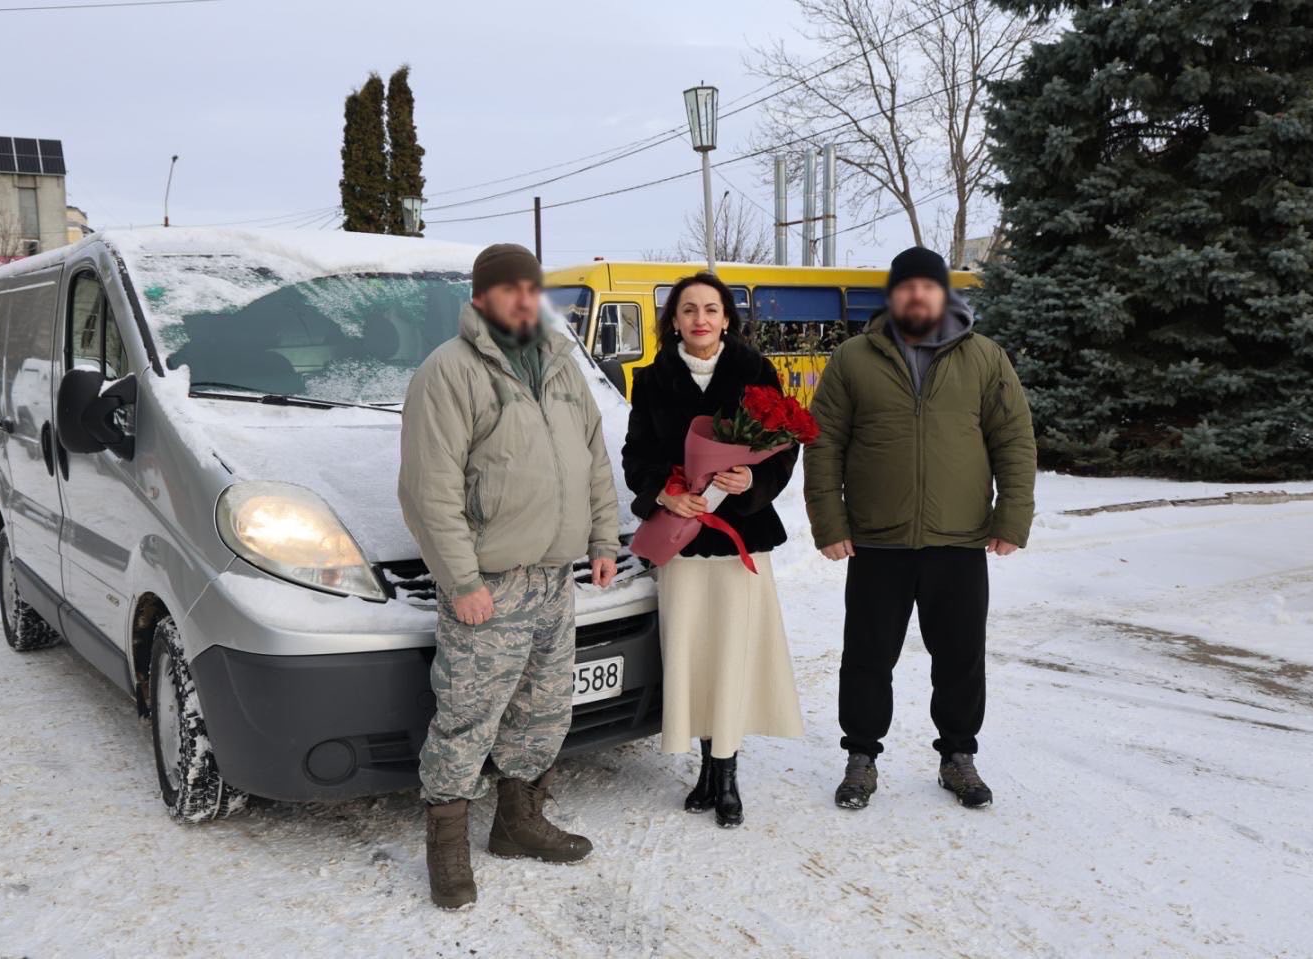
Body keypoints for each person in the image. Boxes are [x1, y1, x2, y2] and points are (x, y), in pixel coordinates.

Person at [398, 243, 620, 910]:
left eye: (532, 287)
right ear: (481, 299)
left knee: (543, 710)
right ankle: (447, 850)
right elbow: (429, 490)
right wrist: (462, 580)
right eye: (509, 289)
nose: (524, 300)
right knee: (467, 717)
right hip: (491, 583)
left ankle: (518, 823)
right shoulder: (449, 371)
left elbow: (593, 460)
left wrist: (602, 538)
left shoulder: (561, 365)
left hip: (554, 577)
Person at [804, 246, 1036, 811]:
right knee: (866, 657)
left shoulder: (984, 357)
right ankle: (861, 756)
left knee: (960, 657)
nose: (916, 295)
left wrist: (1012, 516)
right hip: (876, 539)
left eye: (927, 286)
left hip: (959, 538)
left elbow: (1013, 439)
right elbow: (823, 443)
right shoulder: (853, 358)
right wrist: (829, 522)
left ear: (942, 294)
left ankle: (958, 755)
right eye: (906, 286)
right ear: (894, 294)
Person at [622, 272, 804, 828]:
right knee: (693, 653)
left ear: (726, 319)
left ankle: (725, 773)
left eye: (710, 309)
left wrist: (753, 481)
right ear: (674, 321)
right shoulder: (652, 380)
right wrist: (663, 493)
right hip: (682, 539)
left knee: (732, 653)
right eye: (688, 310)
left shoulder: (755, 371)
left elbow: (782, 449)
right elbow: (636, 455)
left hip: (739, 537)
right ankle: (705, 766)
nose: (699, 319)